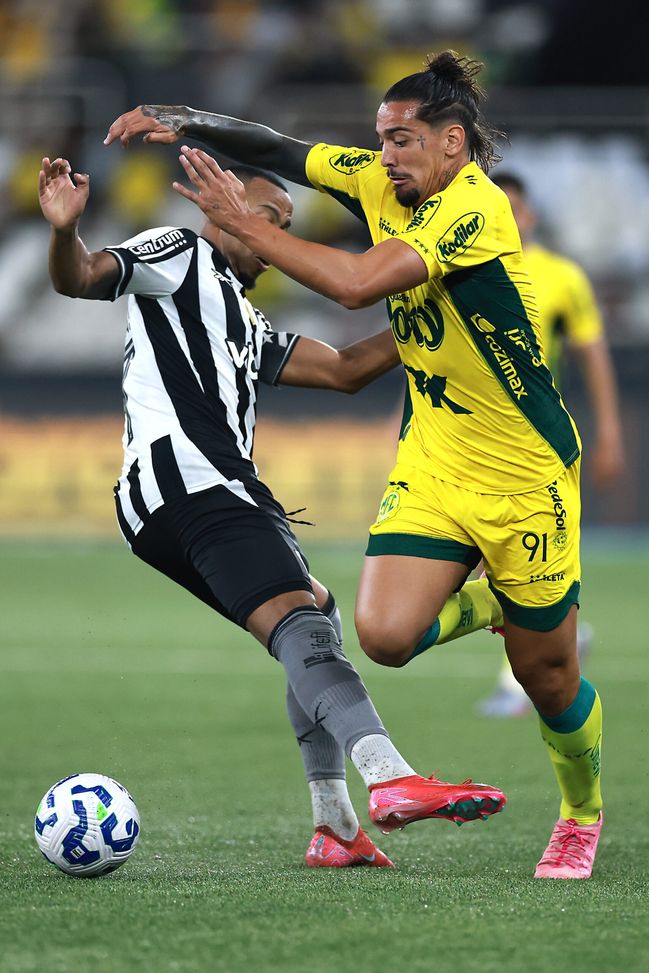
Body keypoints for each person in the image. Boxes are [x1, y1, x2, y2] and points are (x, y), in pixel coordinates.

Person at [105, 49, 605, 880]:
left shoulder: (474, 209)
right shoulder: (385, 180)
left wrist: (247, 226)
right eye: (379, 139)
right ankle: (503, 603)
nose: (384, 155)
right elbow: (276, 148)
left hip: (523, 468)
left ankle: (580, 814)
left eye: (402, 140)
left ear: (452, 144)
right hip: (436, 458)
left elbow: (356, 282)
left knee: (547, 676)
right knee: (380, 635)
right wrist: (188, 121)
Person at [38, 154, 507, 870]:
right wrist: (64, 233)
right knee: (300, 618)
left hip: (196, 494)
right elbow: (80, 277)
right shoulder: (180, 251)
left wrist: (432, 311)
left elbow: (345, 372)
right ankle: (389, 776)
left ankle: (335, 826)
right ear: (222, 208)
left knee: (314, 612)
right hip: (191, 483)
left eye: (287, 227)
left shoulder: (244, 319)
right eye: (268, 218)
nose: (277, 239)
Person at [477, 171, 625, 718]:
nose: (509, 219)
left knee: (519, 559)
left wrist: (609, 433)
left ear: (530, 215)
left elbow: (593, 355)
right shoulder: (459, 265)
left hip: (537, 443)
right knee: (490, 562)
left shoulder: (562, 277)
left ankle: (517, 678)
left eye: (515, 209)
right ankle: (566, 634)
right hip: (472, 438)